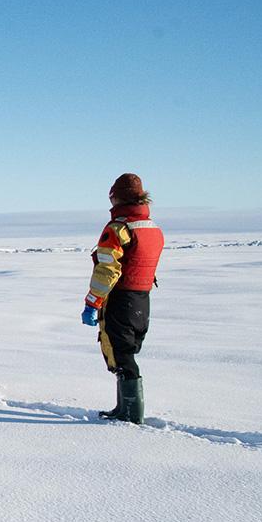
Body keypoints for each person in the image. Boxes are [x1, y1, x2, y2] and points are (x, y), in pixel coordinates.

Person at [81, 173, 164, 424]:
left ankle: (130, 412)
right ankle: (123, 407)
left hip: (120, 298)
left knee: (121, 354)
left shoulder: (119, 229)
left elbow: (107, 270)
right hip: (142, 299)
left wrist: (92, 302)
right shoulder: (152, 228)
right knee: (127, 352)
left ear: (117, 197)